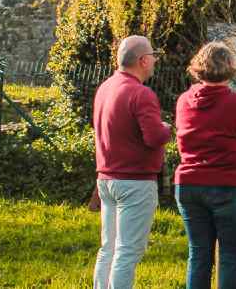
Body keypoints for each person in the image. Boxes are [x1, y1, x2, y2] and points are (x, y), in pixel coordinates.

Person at [174, 42, 236, 289]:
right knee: (231, 258)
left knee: (199, 255)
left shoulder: (183, 101)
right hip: (228, 184)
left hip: (189, 185)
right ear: (230, 68)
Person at [92, 35, 172, 289]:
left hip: (106, 179)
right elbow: (154, 137)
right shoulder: (141, 93)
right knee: (128, 252)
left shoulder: (105, 88)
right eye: (153, 56)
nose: (155, 61)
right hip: (135, 181)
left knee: (109, 247)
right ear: (143, 61)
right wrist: (168, 128)